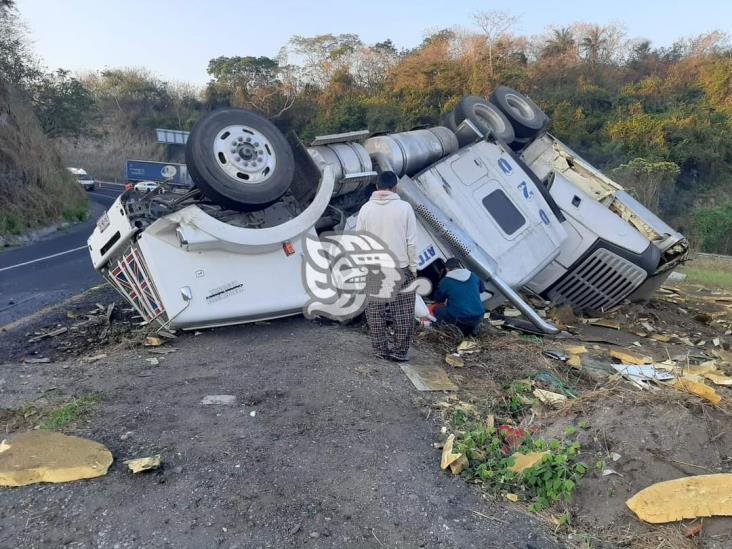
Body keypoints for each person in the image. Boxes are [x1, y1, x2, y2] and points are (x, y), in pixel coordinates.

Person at [356, 170, 418, 362]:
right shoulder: (405, 208)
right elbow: (412, 242)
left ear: (376, 187)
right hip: (400, 267)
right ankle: (399, 351)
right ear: (395, 187)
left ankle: (380, 350)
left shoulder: (365, 209)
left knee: (375, 311)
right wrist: (413, 268)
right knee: (403, 312)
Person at [432, 258, 486, 336]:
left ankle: (445, 331)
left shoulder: (445, 281)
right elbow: (482, 289)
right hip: (478, 315)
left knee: (437, 310)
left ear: (447, 269)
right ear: (460, 266)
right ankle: (472, 330)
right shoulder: (474, 276)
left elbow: (438, 299)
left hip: (460, 317)